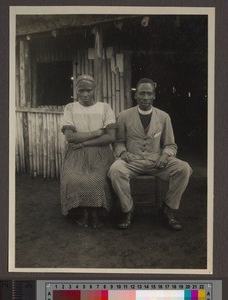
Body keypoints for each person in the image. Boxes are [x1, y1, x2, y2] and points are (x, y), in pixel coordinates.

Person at [108, 78, 192, 231]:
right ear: (135, 95)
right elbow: (118, 141)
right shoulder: (124, 115)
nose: (145, 97)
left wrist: (165, 156)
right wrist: (123, 152)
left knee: (184, 168)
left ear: (154, 96)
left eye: (149, 93)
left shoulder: (164, 117)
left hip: (156, 161)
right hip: (132, 160)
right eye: (141, 93)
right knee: (115, 170)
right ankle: (128, 210)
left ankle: (167, 209)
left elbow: (170, 144)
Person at [60, 75, 116, 228]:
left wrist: (84, 143)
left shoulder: (105, 108)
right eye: (81, 90)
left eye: (88, 90)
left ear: (94, 90)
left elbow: (110, 137)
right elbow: (70, 137)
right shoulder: (70, 108)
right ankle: (84, 212)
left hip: (100, 152)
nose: (85, 94)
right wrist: (96, 133)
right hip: (75, 153)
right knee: (73, 178)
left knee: (98, 178)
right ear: (76, 91)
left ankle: (96, 213)